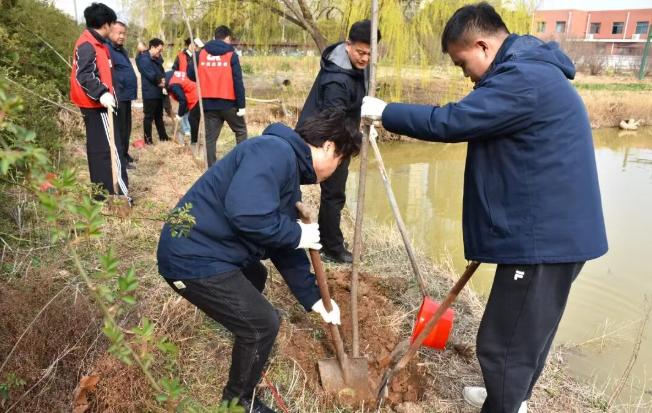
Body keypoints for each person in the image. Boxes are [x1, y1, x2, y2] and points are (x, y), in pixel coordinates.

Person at [361, 3, 608, 413]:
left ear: (482, 45)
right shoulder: (530, 70)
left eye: (463, 63)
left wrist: (387, 112)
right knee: (527, 335)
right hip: (552, 233)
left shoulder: (523, 79)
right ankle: (510, 398)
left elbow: (452, 122)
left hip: (544, 240)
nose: (466, 75)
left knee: (503, 344)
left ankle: (505, 404)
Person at [157, 108, 361, 413]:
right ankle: (239, 402)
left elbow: (282, 248)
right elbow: (247, 214)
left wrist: (315, 298)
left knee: (256, 277)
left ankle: (244, 326)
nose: (336, 169)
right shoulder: (273, 152)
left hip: (212, 247)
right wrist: (296, 233)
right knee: (263, 324)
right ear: (329, 147)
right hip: (190, 257)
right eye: (340, 161)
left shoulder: (285, 165)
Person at [297, 20, 381, 264]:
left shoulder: (359, 66)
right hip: (321, 139)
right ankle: (330, 247)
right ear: (347, 45)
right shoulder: (336, 79)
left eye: (370, 54)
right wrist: (358, 137)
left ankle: (328, 243)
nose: (365, 58)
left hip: (341, 133)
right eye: (360, 52)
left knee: (334, 193)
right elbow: (334, 120)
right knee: (330, 193)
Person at [69, 2, 129, 198]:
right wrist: (102, 93)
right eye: (112, 24)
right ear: (105, 24)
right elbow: (85, 74)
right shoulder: (88, 44)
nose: (113, 28)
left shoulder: (98, 43)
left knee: (99, 151)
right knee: (111, 150)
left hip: (98, 105)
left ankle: (102, 194)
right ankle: (119, 194)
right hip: (97, 106)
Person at [188, 25, 247, 167]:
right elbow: (238, 81)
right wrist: (241, 106)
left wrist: (203, 76)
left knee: (210, 138)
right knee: (240, 131)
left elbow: (190, 74)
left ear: (215, 37)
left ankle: (211, 169)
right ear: (227, 38)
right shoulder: (231, 54)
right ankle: (242, 163)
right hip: (229, 103)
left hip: (208, 103)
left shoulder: (200, 54)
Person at [108, 20, 138, 167]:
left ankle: (124, 154)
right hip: (118, 95)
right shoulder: (108, 49)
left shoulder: (121, 50)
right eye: (119, 33)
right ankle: (120, 159)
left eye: (124, 33)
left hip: (126, 95)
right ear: (110, 32)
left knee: (127, 128)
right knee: (120, 129)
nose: (122, 36)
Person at [136, 38, 170, 144]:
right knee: (149, 117)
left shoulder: (156, 58)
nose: (160, 52)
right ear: (152, 47)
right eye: (159, 50)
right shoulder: (143, 59)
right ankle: (148, 140)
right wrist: (160, 81)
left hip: (158, 91)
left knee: (159, 116)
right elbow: (150, 75)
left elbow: (162, 72)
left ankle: (163, 137)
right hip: (149, 92)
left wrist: (163, 80)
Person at [165, 70, 200, 146]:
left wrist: (179, 115)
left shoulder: (173, 85)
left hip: (195, 96)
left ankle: (194, 142)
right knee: (192, 118)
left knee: (192, 119)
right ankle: (193, 139)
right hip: (195, 91)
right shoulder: (173, 75)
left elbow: (183, 100)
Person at [172, 38, 194, 141]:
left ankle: (193, 128)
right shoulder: (180, 56)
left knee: (193, 108)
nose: (194, 47)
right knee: (185, 107)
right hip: (183, 85)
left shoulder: (198, 56)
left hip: (194, 86)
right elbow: (174, 70)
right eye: (192, 44)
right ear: (188, 45)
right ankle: (187, 129)